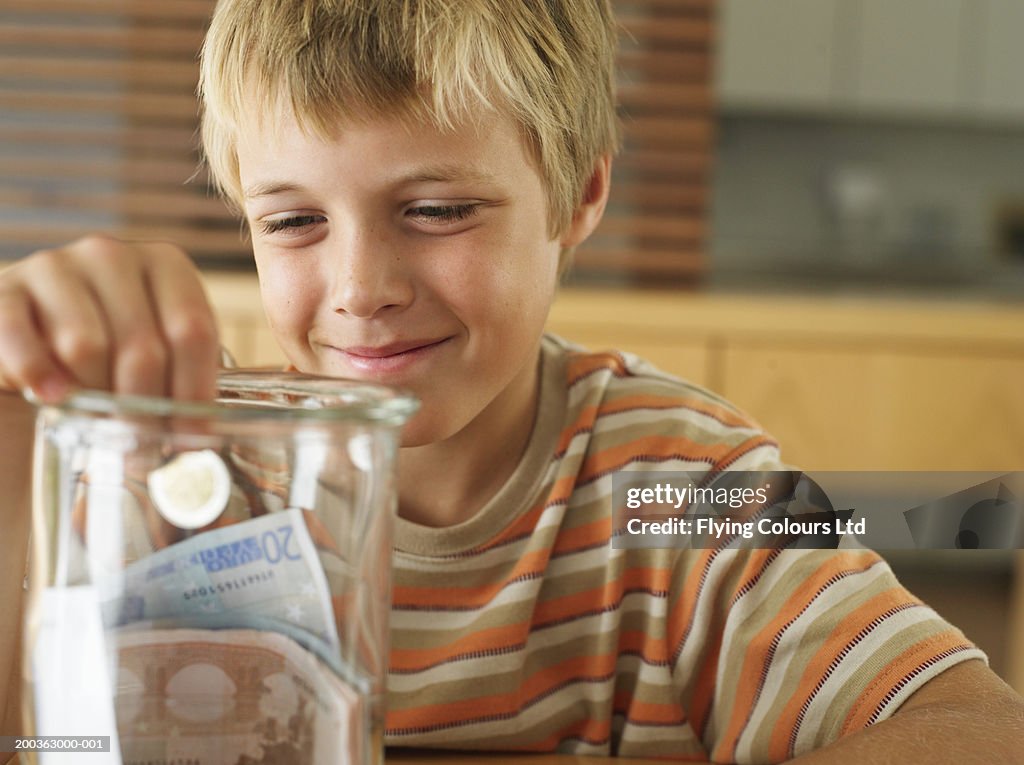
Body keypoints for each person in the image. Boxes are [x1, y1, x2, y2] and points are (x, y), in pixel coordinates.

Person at [0, 0, 1021, 762]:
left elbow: (979, 729)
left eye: (438, 210)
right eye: (295, 221)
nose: (360, 290)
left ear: (577, 196)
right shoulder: (178, 475)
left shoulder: (678, 487)